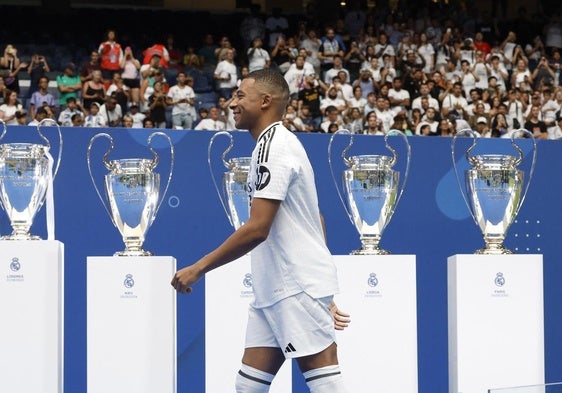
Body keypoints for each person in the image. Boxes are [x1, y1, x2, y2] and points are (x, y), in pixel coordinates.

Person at [171, 68, 350, 393]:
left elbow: (257, 229)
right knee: (248, 387)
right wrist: (321, 289)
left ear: (265, 101)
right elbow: (317, 218)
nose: (230, 103)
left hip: (294, 286)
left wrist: (198, 268)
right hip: (278, 289)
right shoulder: (272, 145)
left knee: (327, 386)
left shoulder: (274, 147)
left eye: (240, 95)